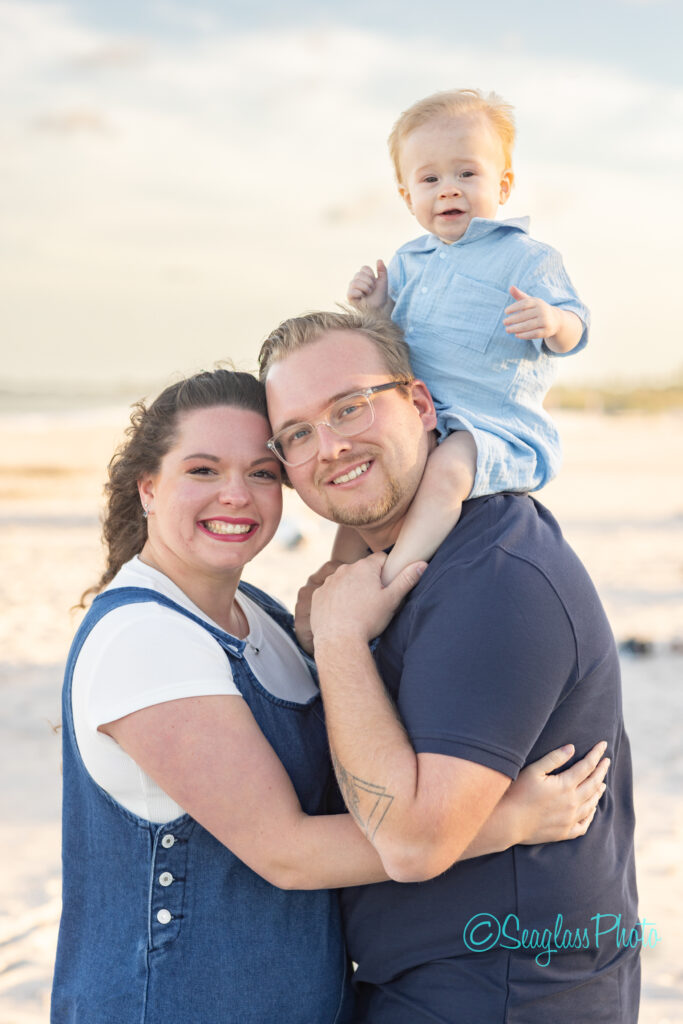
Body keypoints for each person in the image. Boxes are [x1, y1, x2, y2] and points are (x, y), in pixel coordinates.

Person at [51, 368, 608, 1024]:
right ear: (149, 487)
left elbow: (366, 509)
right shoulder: (145, 641)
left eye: (261, 473)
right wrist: (505, 824)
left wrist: (440, 438)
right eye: (202, 470)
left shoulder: (260, 618)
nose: (236, 496)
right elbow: (286, 852)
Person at [259, 310, 640, 1023]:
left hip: (503, 993)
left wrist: (340, 640)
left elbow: (410, 843)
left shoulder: (493, 578)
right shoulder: (406, 561)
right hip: (435, 984)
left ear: (421, 403)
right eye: (298, 434)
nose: (331, 445)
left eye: (350, 406)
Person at [339, 88, 589, 584]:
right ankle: (342, 570)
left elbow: (576, 327)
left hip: (487, 423)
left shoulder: (527, 258)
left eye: (466, 173)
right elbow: (391, 340)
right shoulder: (411, 260)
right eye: (430, 179)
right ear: (409, 197)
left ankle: (393, 578)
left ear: (504, 184)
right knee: (364, 468)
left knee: (447, 474)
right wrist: (376, 310)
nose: (448, 189)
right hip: (418, 414)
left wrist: (553, 322)